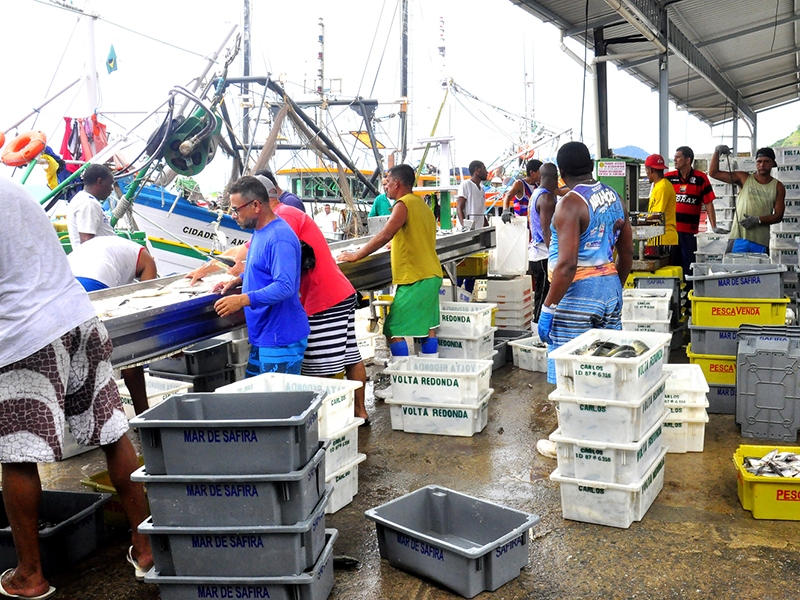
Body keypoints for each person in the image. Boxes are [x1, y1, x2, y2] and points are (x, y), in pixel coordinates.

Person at [0, 177, 152, 599]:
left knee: (17, 454)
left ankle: (30, 574)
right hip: (77, 317)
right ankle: (146, 548)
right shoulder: (11, 186)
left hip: (24, 336)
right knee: (113, 432)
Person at [536, 142, 633, 456]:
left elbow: (566, 265)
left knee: (571, 371)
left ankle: (570, 438)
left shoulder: (571, 204)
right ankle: (602, 431)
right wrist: (611, 287)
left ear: (561, 173)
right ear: (591, 164)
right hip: (609, 286)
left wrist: (548, 308)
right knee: (603, 366)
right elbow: (627, 252)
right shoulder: (614, 197)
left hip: (576, 294)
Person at [338, 164, 443, 368]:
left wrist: (356, 255)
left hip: (416, 278)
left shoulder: (402, 205)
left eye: (387, 182)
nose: (385, 186)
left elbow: (385, 233)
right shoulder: (421, 204)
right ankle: (430, 375)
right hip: (432, 274)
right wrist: (396, 242)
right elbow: (413, 235)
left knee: (393, 329)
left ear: (398, 183)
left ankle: (401, 378)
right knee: (428, 327)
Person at [214, 177, 310, 376]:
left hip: (280, 336)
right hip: (264, 335)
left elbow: (285, 285)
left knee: (279, 404)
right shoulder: (260, 232)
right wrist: (239, 281)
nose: (233, 215)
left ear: (256, 205)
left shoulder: (279, 237)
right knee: (257, 399)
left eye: (235, 209)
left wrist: (241, 300)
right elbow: (263, 267)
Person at [68, 236, 159, 416]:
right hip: (95, 282)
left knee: (78, 357)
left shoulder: (113, 247)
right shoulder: (146, 258)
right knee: (130, 349)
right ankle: (142, 414)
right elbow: (147, 302)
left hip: (66, 283)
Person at [709, 146, 785, 254]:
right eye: (759, 161)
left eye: (766, 161)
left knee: (759, 270)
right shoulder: (744, 178)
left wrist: (758, 220)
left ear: (773, 163)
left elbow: (778, 216)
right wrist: (717, 152)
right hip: (738, 237)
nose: (762, 165)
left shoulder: (778, 186)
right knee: (731, 268)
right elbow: (714, 173)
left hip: (761, 240)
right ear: (756, 163)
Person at [664, 146, 718, 289]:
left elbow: (709, 203)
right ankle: (672, 297)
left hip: (689, 233)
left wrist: (715, 227)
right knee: (671, 265)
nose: (674, 159)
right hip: (670, 233)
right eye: (674, 157)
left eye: (678, 157)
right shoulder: (668, 178)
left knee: (688, 265)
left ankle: (688, 298)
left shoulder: (701, 178)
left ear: (688, 160)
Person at [529, 163, 558, 323]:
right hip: (543, 254)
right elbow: (546, 230)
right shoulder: (546, 198)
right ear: (556, 177)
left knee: (541, 294)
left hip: (536, 252)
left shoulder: (537, 193)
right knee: (544, 298)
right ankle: (538, 330)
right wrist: (554, 255)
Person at [66, 163, 116, 248]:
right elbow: (86, 242)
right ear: (99, 182)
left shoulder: (82, 198)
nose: (112, 188)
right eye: (110, 183)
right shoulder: (89, 203)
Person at [643, 154, 678, 254]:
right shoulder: (659, 185)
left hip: (662, 238)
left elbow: (657, 215)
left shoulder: (662, 187)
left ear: (650, 170)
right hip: (658, 237)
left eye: (646, 170)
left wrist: (637, 221)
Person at [456, 160, 488, 228]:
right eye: (484, 169)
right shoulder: (466, 184)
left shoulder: (481, 190)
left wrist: (487, 226)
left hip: (478, 230)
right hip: (467, 231)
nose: (486, 172)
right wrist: (465, 227)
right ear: (477, 170)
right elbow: (459, 207)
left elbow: (480, 212)